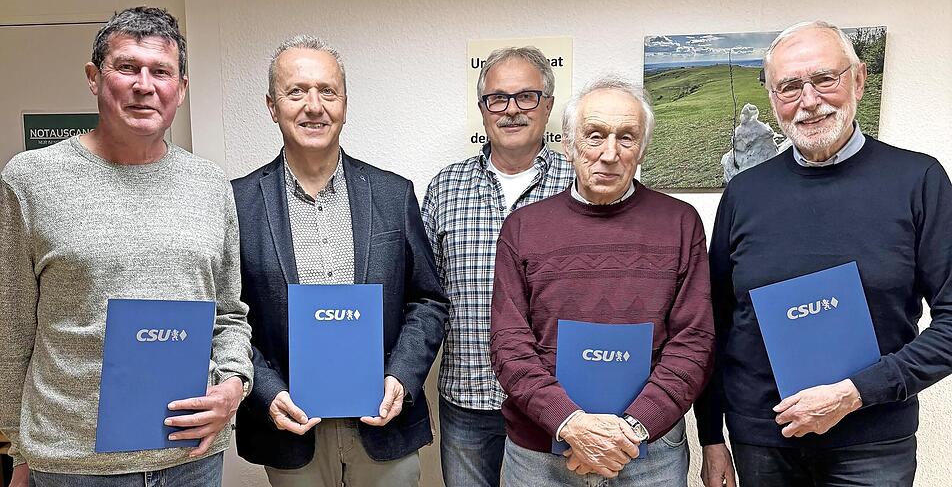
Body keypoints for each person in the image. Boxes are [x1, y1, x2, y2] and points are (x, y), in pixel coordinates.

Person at [0, 6, 253, 487]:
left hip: (191, 458)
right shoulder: (29, 179)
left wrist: (234, 384)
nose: (144, 85)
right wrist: (17, 449)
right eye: (127, 67)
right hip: (73, 465)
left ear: (181, 87)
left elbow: (229, 315)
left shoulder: (209, 184)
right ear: (94, 77)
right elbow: (11, 330)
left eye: (161, 71)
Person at [696, 20, 952, 487]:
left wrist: (856, 393)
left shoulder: (918, 180)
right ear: (772, 98)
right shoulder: (745, 193)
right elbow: (715, 321)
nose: (809, 100)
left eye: (824, 79)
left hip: (872, 443)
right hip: (763, 441)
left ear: (859, 80)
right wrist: (711, 436)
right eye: (789, 86)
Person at [232, 35, 449, 487]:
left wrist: (401, 376)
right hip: (292, 431)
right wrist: (267, 392)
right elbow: (229, 316)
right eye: (296, 92)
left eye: (327, 91)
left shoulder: (393, 194)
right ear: (272, 106)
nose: (314, 106)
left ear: (345, 104)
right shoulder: (237, 203)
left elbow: (428, 301)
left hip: (382, 424)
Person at [489, 75, 714, 485]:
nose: (609, 154)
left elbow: (694, 342)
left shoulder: (681, 224)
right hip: (540, 455)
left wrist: (630, 431)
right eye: (594, 135)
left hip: (649, 455)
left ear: (642, 148)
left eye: (626, 138)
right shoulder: (523, 228)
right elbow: (509, 344)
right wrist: (570, 423)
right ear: (569, 144)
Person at [422, 46, 574, 487]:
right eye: (497, 98)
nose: (511, 110)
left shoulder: (579, 182)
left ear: (548, 106)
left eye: (526, 96)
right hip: (466, 399)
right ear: (482, 109)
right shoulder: (446, 187)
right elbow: (424, 297)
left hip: (556, 402)